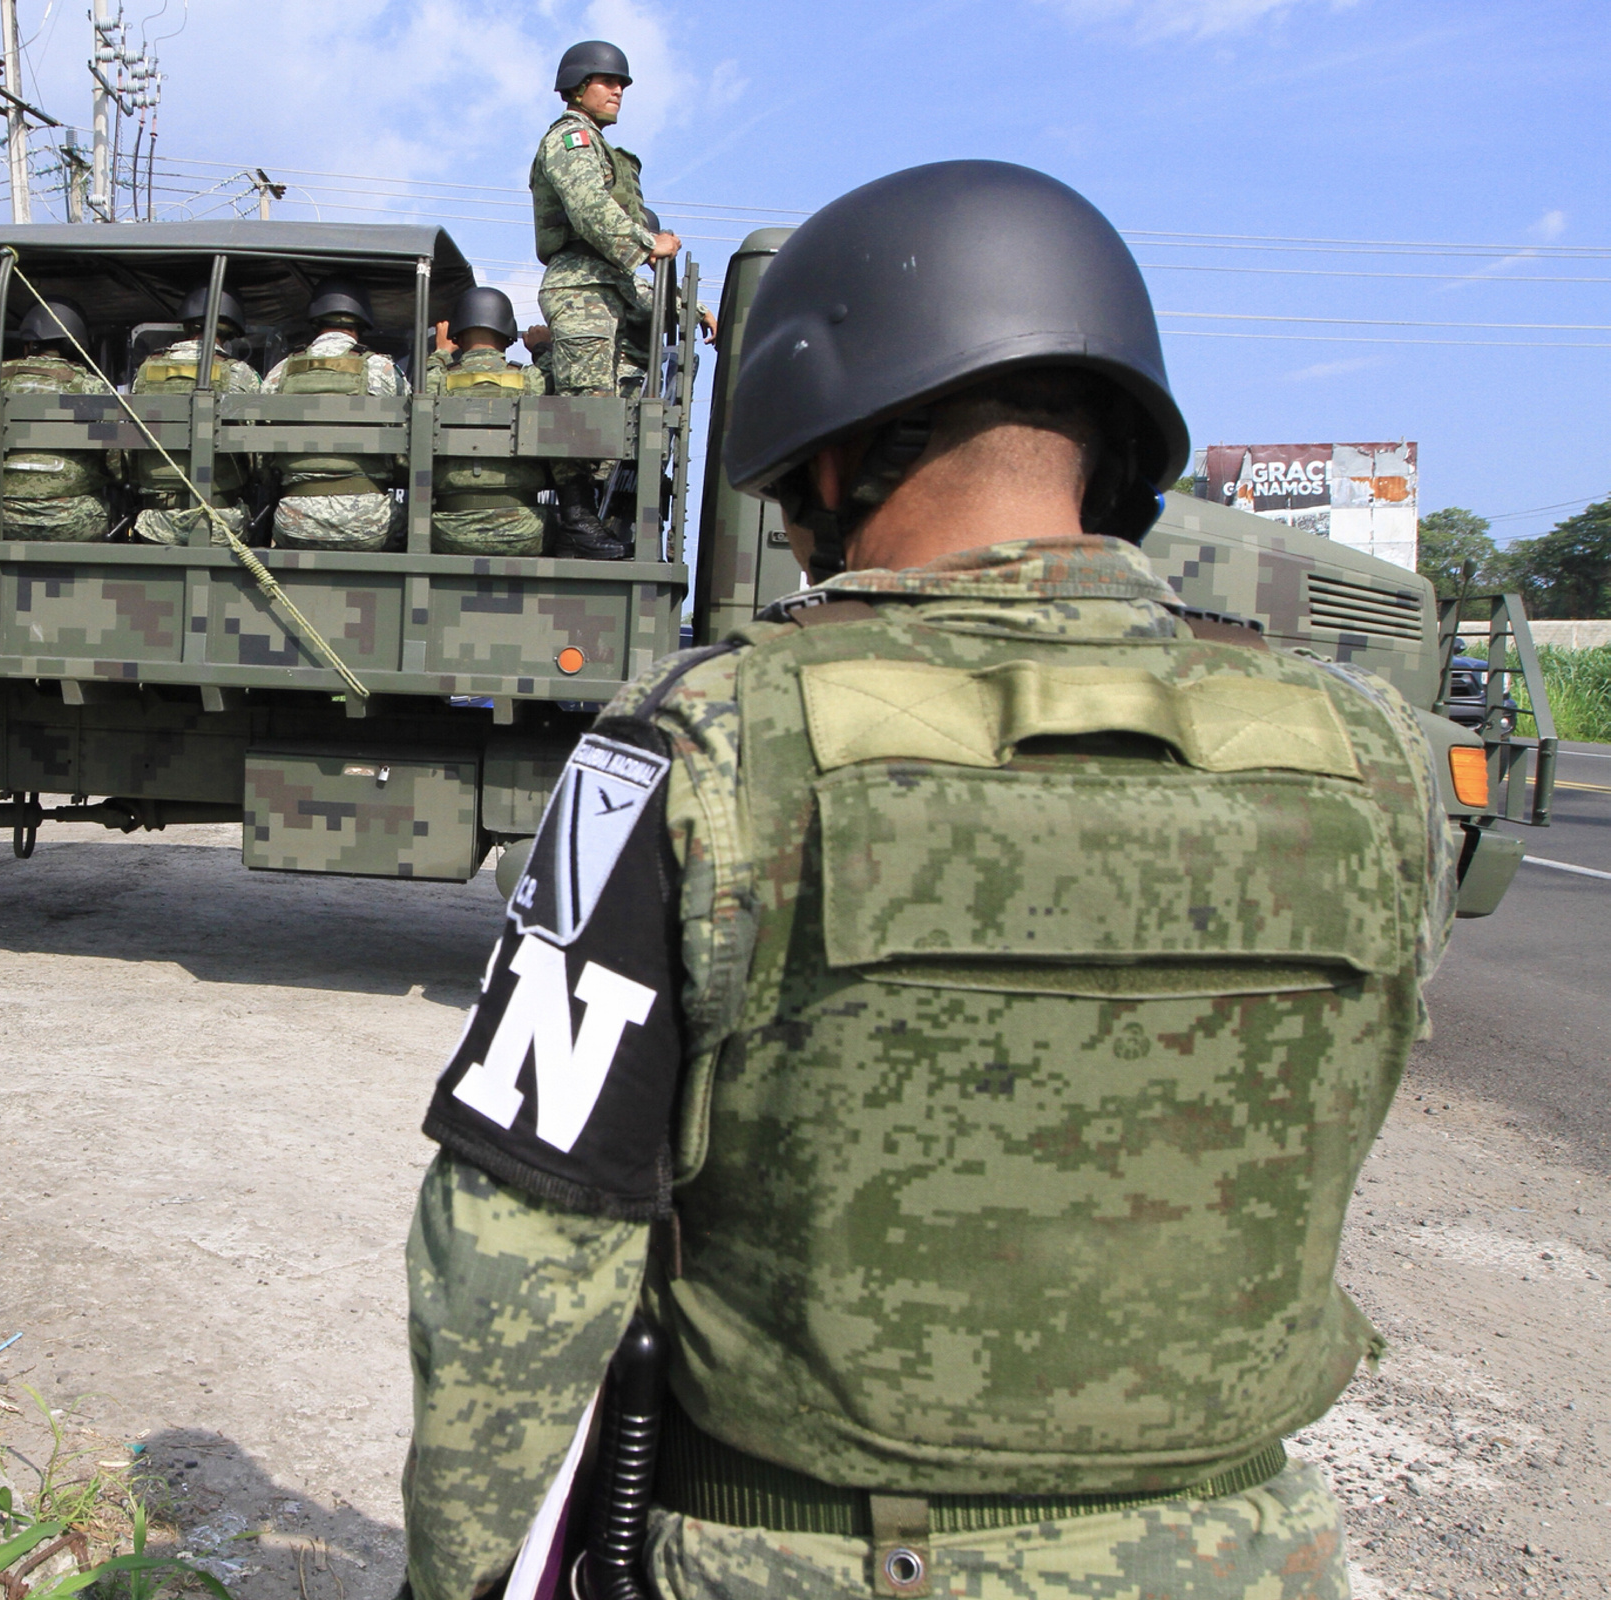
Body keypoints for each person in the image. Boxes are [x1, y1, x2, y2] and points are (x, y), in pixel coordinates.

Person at [401, 160, 1454, 1600]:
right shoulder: (1373, 754)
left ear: (834, 459)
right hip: (1245, 1560)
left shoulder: (682, 747)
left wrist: (452, 1577)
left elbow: (513, 1259)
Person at [529, 39, 679, 560]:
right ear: (577, 87)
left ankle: (589, 514)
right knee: (584, 407)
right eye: (608, 82)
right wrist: (647, 244)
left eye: (622, 84)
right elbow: (590, 206)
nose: (618, 91)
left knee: (607, 409)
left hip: (605, 286)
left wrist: (682, 305)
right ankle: (575, 519)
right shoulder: (570, 139)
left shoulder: (597, 144)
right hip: (581, 289)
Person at [261, 276, 407, 552]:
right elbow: (411, 442)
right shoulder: (383, 370)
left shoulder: (280, 372)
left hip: (293, 523)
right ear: (361, 321)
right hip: (369, 525)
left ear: (316, 320)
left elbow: (261, 457)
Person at [126, 285, 260, 548]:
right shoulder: (241, 374)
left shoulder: (146, 370)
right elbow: (258, 457)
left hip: (157, 521)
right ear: (231, 330)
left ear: (186, 326)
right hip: (220, 522)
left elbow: (129, 450)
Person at [423, 287, 547, 557]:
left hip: (450, 530)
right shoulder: (532, 380)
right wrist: (542, 350)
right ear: (508, 335)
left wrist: (441, 354)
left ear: (458, 335)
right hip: (522, 530)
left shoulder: (437, 380)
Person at [0, 300, 121, 541]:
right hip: (74, 520)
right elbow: (116, 461)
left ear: (28, 343)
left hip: (1, 517)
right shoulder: (91, 386)